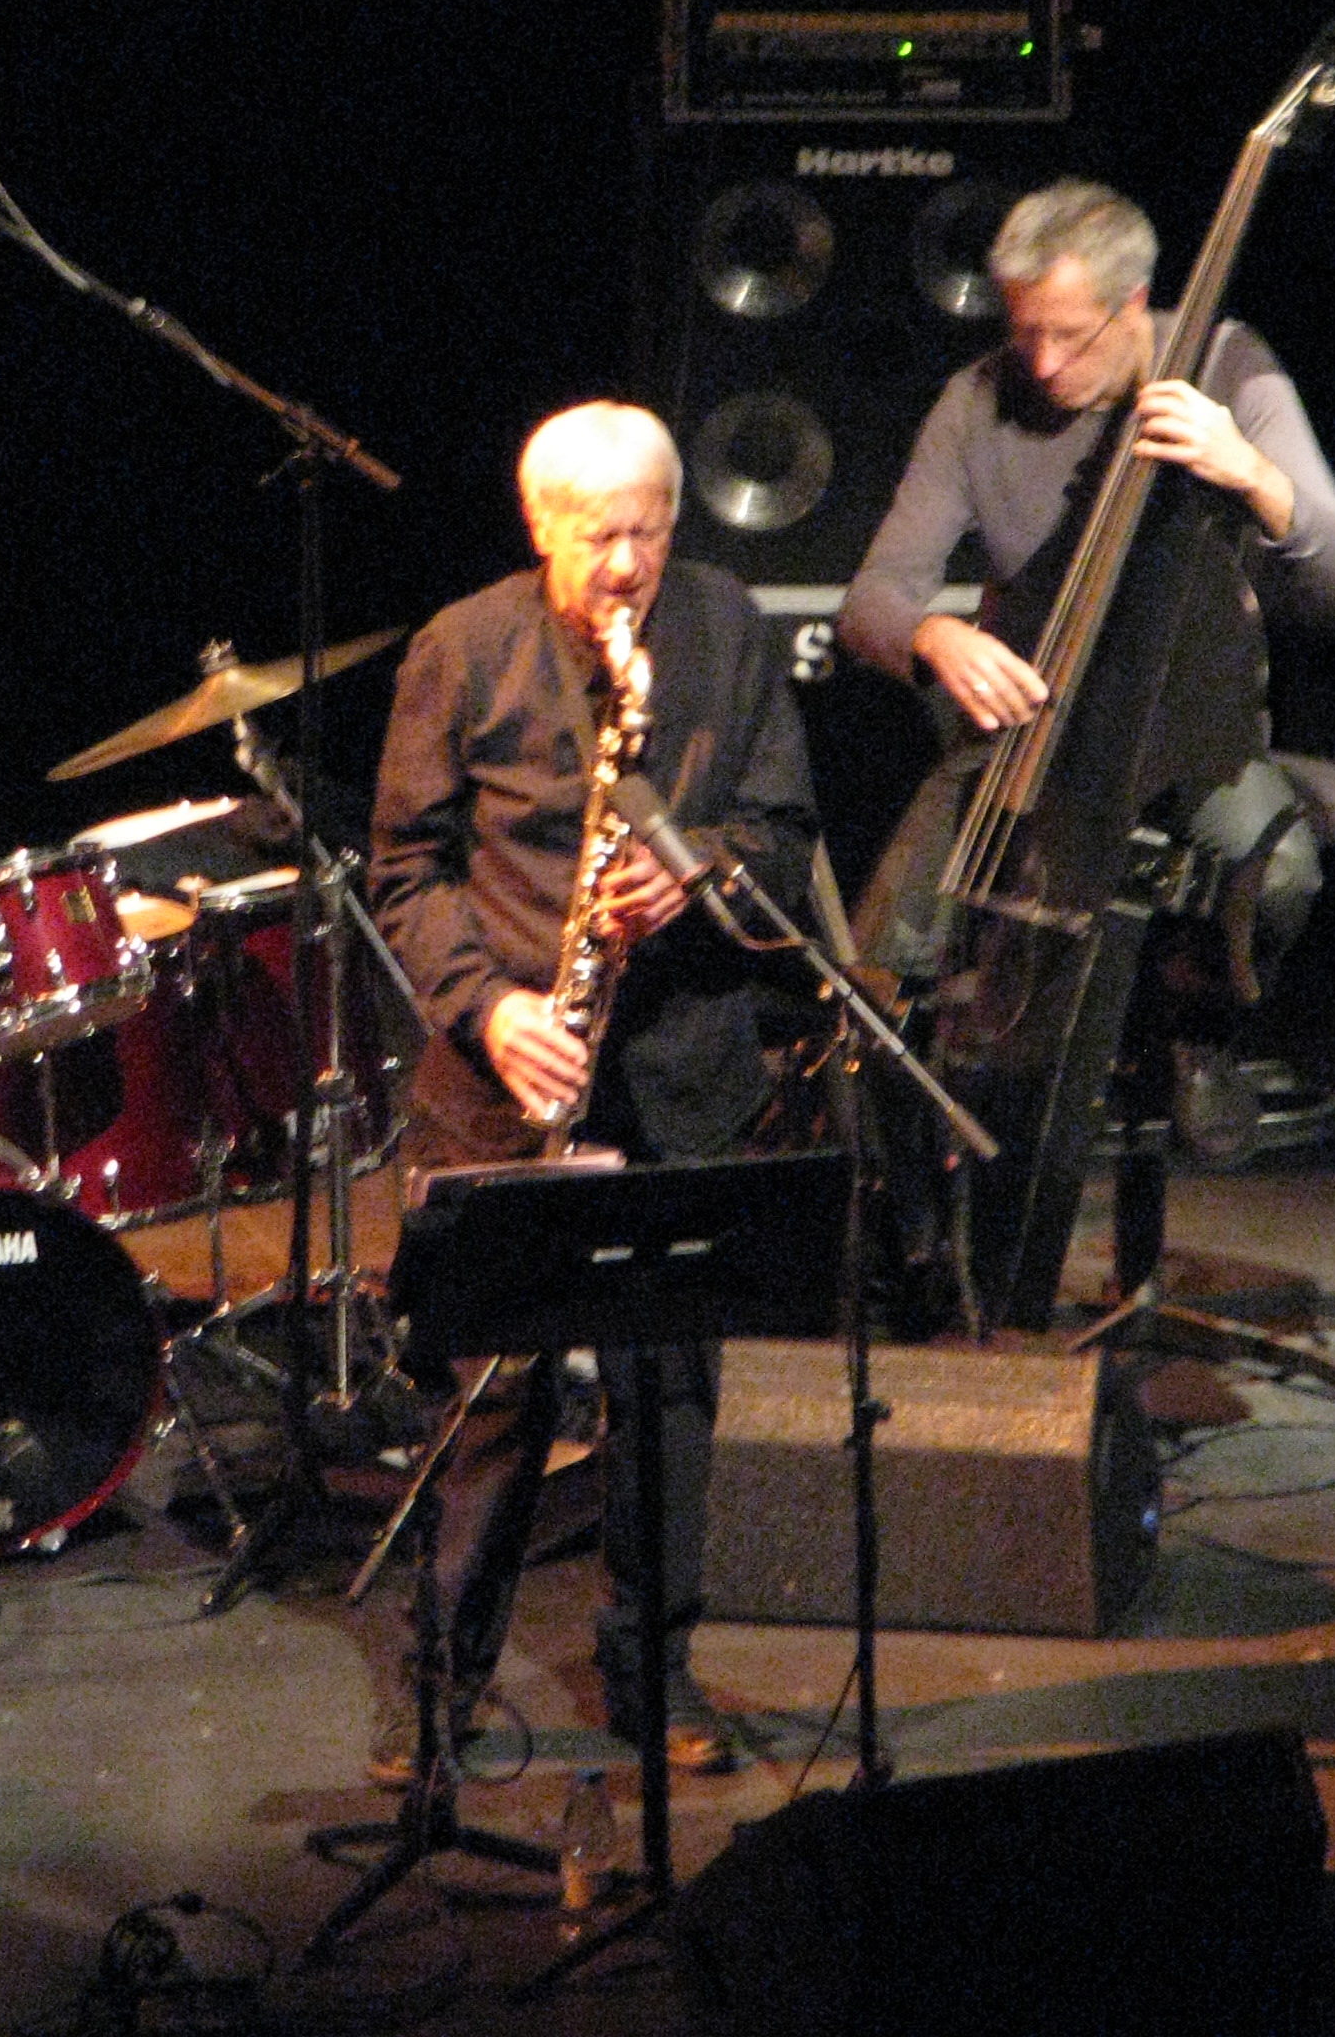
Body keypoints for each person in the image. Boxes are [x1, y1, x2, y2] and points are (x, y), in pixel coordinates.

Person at [368, 401, 818, 1777]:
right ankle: (438, 1692)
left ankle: (657, 1678)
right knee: (488, 1399)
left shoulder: (728, 628)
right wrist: (492, 1008)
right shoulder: (463, 645)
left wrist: (702, 875)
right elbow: (403, 868)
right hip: (507, 1068)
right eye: (600, 534)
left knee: (672, 1391)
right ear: (540, 526)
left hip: (679, 1067)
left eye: (652, 529)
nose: (628, 563)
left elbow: (785, 831)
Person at [837, 179, 1335, 1166]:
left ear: (1135, 307)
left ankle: (1192, 1024)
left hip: (1187, 736)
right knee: (883, 958)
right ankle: (901, 1189)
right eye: (1026, 332)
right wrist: (937, 638)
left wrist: (1251, 474)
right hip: (1031, 737)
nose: (1043, 363)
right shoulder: (977, 401)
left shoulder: (1225, 363)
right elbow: (872, 601)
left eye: (1073, 335)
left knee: (1283, 871)